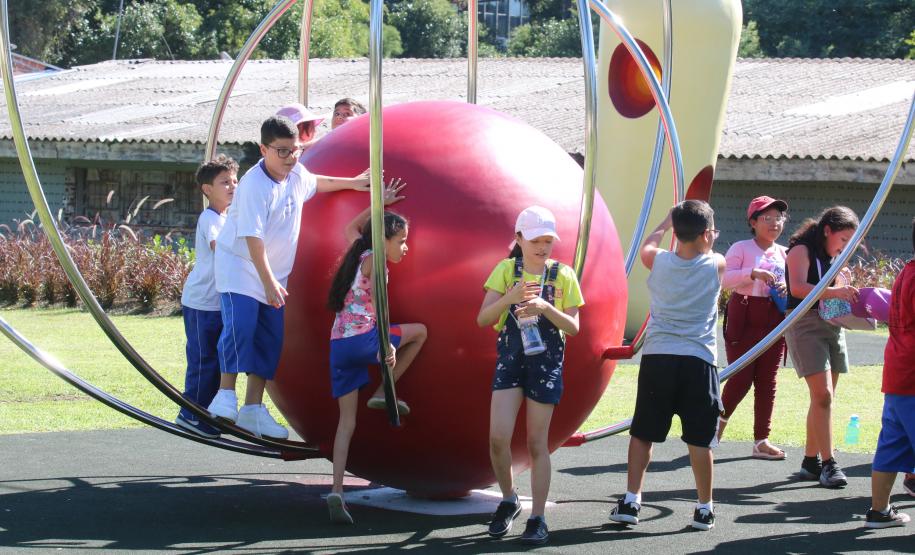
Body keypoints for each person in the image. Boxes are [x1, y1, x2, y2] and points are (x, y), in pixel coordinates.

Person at [207, 115, 372, 440]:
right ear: (263, 149)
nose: (290, 158)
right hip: (241, 268)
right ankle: (225, 394)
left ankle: (252, 408)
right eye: (282, 151)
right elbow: (252, 238)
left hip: (275, 273)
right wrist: (267, 281)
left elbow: (316, 182)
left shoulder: (296, 172)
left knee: (270, 339)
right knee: (241, 327)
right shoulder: (255, 185)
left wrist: (352, 182)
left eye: (294, 150)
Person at [609, 200, 725, 531]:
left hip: (659, 358)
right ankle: (705, 507)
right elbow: (707, 253)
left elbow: (648, 245)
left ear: (677, 232)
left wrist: (664, 223)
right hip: (698, 362)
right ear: (706, 234)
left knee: (643, 432)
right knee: (699, 440)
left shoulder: (657, 261)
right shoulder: (716, 262)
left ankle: (632, 500)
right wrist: (684, 227)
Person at [478, 206, 584, 546]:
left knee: (538, 442)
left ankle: (537, 517)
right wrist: (510, 298)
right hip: (511, 362)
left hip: (545, 366)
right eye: (536, 240)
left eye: (548, 240)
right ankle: (508, 499)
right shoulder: (506, 271)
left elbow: (575, 327)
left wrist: (545, 308)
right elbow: (483, 318)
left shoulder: (563, 274)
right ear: (519, 238)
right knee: (498, 438)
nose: (543, 247)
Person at [325, 196, 428, 525]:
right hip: (364, 340)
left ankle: (337, 491)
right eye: (401, 241)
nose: (405, 248)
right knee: (420, 332)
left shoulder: (359, 251)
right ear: (384, 241)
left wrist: (378, 204)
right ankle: (385, 390)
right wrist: (386, 345)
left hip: (339, 345)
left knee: (347, 424)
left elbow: (350, 228)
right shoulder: (375, 261)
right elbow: (382, 310)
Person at [783, 206, 859, 488]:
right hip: (804, 323)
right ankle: (829, 463)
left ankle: (810, 460)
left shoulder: (834, 255)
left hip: (831, 322)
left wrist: (845, 286)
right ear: (827, 230)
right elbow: (798, 289)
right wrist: (835, 290)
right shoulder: (801, 250)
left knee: (823, 397)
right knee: (823, 394)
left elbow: (832, 290)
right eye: (843, 238)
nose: (846, 245)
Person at [718, 196, 789, 460]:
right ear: (753, 222)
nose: (774, 223)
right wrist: (753, 273)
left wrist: (786, 289)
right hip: (744, 315)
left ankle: (761, 440)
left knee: (767, 381)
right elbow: (723, 279)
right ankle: (715, 429)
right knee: (740, 377)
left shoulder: (785, 253)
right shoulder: (741, 247)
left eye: (778, 218)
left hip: (775, 318)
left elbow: (793, 288)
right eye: (766, 218)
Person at [174, 155, 239, 438]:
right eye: (224, 182)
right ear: (207, 189)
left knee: (217, 359)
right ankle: (190, 413)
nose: (232, 186)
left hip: (218, 302)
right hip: (202, 302)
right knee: (203, 359)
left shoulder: (227, 217)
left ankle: (207, 413)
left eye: (235, 181)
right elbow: (219, 247)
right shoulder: (210, 218)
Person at [863, 217, 915, 529]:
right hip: (912, 375)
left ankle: (879, 511)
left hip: (898, 374)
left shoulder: (906, 272)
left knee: (890, 446)